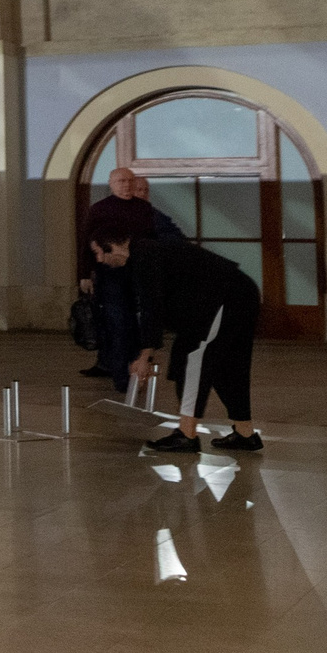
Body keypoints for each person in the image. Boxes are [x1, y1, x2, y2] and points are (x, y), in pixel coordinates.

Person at [94, 233, 262, 452]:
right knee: (227, 366)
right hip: (233, 295)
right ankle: (245, 433)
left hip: (224, 297)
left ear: (113, 246)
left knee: (192, 359)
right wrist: (145, 352)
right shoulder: (144, 252)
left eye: (97, 252)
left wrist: (145, 356)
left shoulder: (144, 254)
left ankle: (186, 434)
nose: (98, 259)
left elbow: (151, 307)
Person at [79, 167, 184, 389]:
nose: (126, 185)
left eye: (129, 181)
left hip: (139, 272)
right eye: (121, 181)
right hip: (111, 275)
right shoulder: (99, 209)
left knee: (139, 325)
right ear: (111, 184)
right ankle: (122, 378)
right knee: (118, 325)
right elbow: (85, 243)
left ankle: (138, 370)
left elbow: (152, 239)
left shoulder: (143, 208)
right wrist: (84, 274)